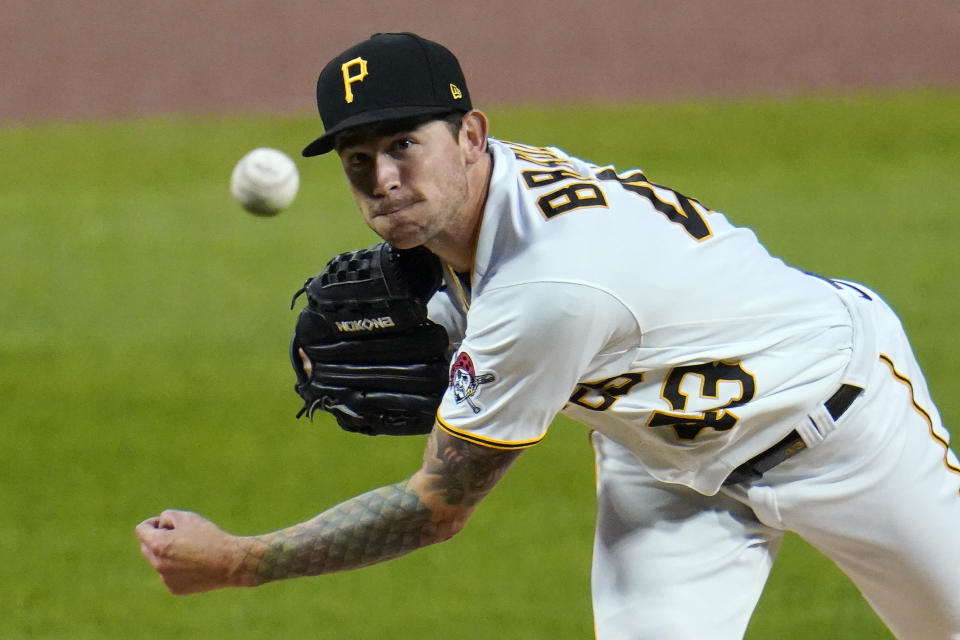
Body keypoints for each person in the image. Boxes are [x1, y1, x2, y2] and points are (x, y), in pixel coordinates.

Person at [136, 32, 960, 639]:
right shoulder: (477, 213)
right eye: (357, 160)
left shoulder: (547, 291)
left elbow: (436, 508)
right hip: (664, 462)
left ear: (470, 135)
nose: (383, 180)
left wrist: (239, 560)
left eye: (402, 147)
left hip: (843, 423)